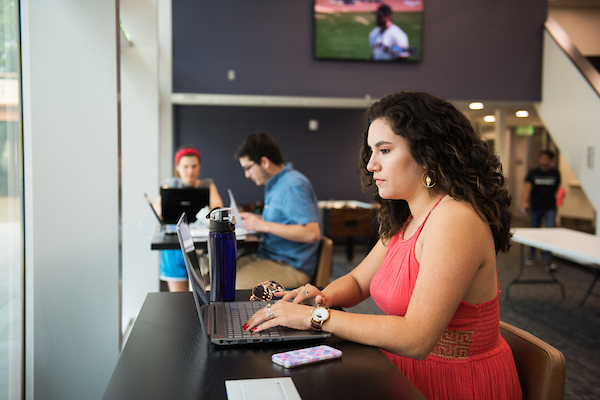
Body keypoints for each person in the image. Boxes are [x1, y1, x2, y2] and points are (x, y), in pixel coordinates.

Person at [245, 92, 522, 399]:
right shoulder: (408, 217)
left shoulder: (455, 219)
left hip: (456, 384)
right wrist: (320, 298)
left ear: (427, 153)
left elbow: (417, 339)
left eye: (385, 150)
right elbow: (357, 281)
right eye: (370, 152)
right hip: (401, 370)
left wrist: (315, 318)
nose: (371, 164)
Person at [234, 132, 321, 289]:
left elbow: (311, 233)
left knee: (222, 287)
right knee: (217, 274)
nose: (247, 175)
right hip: (269, 256)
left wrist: (262, 225)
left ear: (265, 162)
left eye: (248, 168)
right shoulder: (275, 184)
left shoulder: (292, 185)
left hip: (290, 267)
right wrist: (256, 220)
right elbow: (285, 221)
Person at [155, 146, 223, 292]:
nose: (190, 171)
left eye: (194, 166)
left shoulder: (207, 185)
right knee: (178, 298)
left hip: (201, 246)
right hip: (174, 246)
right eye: (185, 166)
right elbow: (158, 210)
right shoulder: (169, 185)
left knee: (203, 295)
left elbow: (217, 207)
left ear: (199, 167)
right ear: (178, 167)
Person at [521, 150, 561, 266]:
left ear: (551, 160)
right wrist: (524, 202)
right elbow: (527, 188)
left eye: (546, 158)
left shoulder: (555, 173)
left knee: (549, 232)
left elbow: (557, 189)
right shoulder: (533, 173)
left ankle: (548, 257)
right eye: (541, 158)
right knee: (535, 230)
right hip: (536, 206)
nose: (543, 160)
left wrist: (560, 196)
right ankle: (532, 253)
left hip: (550, 207)